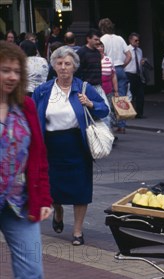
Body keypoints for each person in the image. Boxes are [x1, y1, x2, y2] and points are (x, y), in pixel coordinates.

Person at [0, 40, 58, 279]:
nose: (11, 76)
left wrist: (44, 197)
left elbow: (38, 155)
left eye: (15, 71)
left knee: (32, 273)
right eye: (4, 70)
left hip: (19, 202)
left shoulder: (27, 107)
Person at [32, 46, 109, 246]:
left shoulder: (84, 88)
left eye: (68, 64)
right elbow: (32, 116)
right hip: (52, 146)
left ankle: (77, 231)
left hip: (77, 145)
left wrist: (91, 104)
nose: (64, 67)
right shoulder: (43, 90)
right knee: (53, 189)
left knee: (80, 190)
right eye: (59, 63)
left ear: (74, 67)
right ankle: (58, 212)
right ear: (54, 66)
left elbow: (104, 110)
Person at [99, 18, 131, 134]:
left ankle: (110, 124)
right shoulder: (120, 38)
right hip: (120, 68)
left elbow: (101, 55)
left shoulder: (102, 39)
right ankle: (122, 125)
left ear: (102, 28)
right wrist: (123, 65)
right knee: (121, 97)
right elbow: (129, 55)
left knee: (109, 97)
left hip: (108, 70)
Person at [76, 29, 112, 129]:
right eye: (96, 39)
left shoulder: (97, 53)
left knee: (105, 110)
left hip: (97, 86)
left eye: (98, 39)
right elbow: (78, 70)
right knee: (90, 111)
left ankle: (105, 135)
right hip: (86, 87)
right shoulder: (81, 52)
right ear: (88, 39)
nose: (98, 42)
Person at [98, 41, 119, 134]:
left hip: (108, 89)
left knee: (109, 111)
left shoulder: (109, 60)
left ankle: (110, 132)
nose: (100, 48)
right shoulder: (94, 60)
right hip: (98, 89)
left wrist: (116, 90)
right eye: (98, 46)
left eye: (102, 46)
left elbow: (113, 75)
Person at [124, 33, 145, 118]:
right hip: (129, 73)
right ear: (130, 40)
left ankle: (139, 113)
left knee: (140, 94)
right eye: (135, 40)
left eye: (138, 40)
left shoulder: (139, 50)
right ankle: (130, 113)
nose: (137, 42)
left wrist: (142, 63)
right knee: (130, 94)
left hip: (138, 74)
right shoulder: (126, 50)